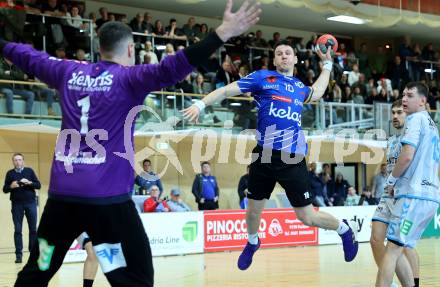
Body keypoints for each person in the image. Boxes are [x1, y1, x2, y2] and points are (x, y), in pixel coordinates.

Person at [6, 1, 261, 285]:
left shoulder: (66, 72)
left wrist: (5, 47)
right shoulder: (129, 78)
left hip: (62, 201)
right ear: (130, 50)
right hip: (107, 203)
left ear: (99, 47)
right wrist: (219, 35)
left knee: (39, 267)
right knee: (136, 276)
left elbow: (24, 55)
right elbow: (173, 67)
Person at [183, 39, 359, 271]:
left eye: (288, 52)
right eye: (279, 53)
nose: (284, 56)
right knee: (253, 210)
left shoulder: (299, 87)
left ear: (295, 59)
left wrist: (327, 66)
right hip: (264, 154)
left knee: (306, 218)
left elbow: (317, 92)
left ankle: (345, 230)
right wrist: (201, 104)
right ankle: (253, 241)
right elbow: (226, 90)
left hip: (292, 157)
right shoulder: (262, 78)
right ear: (275, 60)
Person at [376, 82, 439, 287]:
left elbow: (407, 156)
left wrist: (391, 181)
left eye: (409, 95)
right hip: (429, 198)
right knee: (402, 246)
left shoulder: (415, 120)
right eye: (403, 94)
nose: (404, 99)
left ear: (422, 101)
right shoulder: (433, 125)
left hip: (413, 195)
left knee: (392, 252)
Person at [371, 99, 420, 287]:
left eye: (399, 112)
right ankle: (388, 279)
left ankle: (413, 283)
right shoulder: (391, 140)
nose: (395, 116)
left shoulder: (416, 136)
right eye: (393, 113)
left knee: (404, 246)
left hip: (407, 196)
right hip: (388, 195)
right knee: (376, 238)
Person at [2, 153, 41, 263]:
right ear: (13, 162)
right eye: (15, 160)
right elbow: (4, 189)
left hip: (30, 203)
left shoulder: (29, 171)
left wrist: (30, 183)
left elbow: (38, 185)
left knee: (33, 229)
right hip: (16, 204)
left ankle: (32, 253)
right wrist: (11, 186)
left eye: (19, 160)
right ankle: (18, 255)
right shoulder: (10, 174)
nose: (18, 162)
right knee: (18, 230)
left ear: (23, 161)